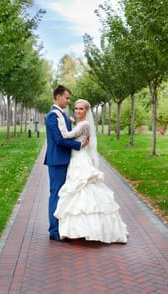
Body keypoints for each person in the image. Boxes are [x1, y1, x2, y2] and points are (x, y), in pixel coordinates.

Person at [53, 99, 129, 244]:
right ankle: (77, 230)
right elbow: (75, 135)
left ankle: (90, 230)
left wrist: (60, 118)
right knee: (77, 192)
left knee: (85, 190)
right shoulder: (80, 124)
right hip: (76, 158)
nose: (77, 111)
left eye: (81, 109)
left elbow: (66, 135)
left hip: (80, 160)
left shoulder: (85, 124)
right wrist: (68, 119)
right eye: (76, 108)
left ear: (87, 111)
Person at [44, 86, 89, 242]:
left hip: (64, 160)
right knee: (56, 194)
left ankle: (61, 227)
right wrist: (79, 145)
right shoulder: (52, 116)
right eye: (66, 98)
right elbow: (59, 140)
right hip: (57, 161)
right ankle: (54, 231)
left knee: (62, 195)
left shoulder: (62, 115)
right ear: (58, 97)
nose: (68, 101)